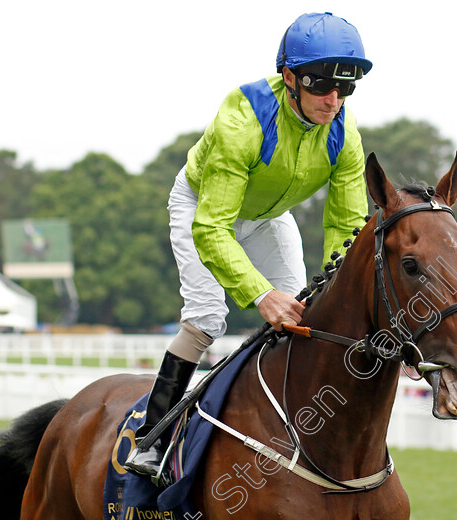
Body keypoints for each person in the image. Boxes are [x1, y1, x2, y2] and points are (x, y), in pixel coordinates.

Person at [125, 12, 372, 480]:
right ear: (289, 77)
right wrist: (261, 295)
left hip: (265, 217)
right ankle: (151, 438)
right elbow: (213, 228)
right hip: (203, 207)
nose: (333, 100)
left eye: (346, 88)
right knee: (207, 316)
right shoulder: (243, 118)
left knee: (303, 311)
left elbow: (346, 228)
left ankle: (279, 426)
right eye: (321, 86)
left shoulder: (345, 134)